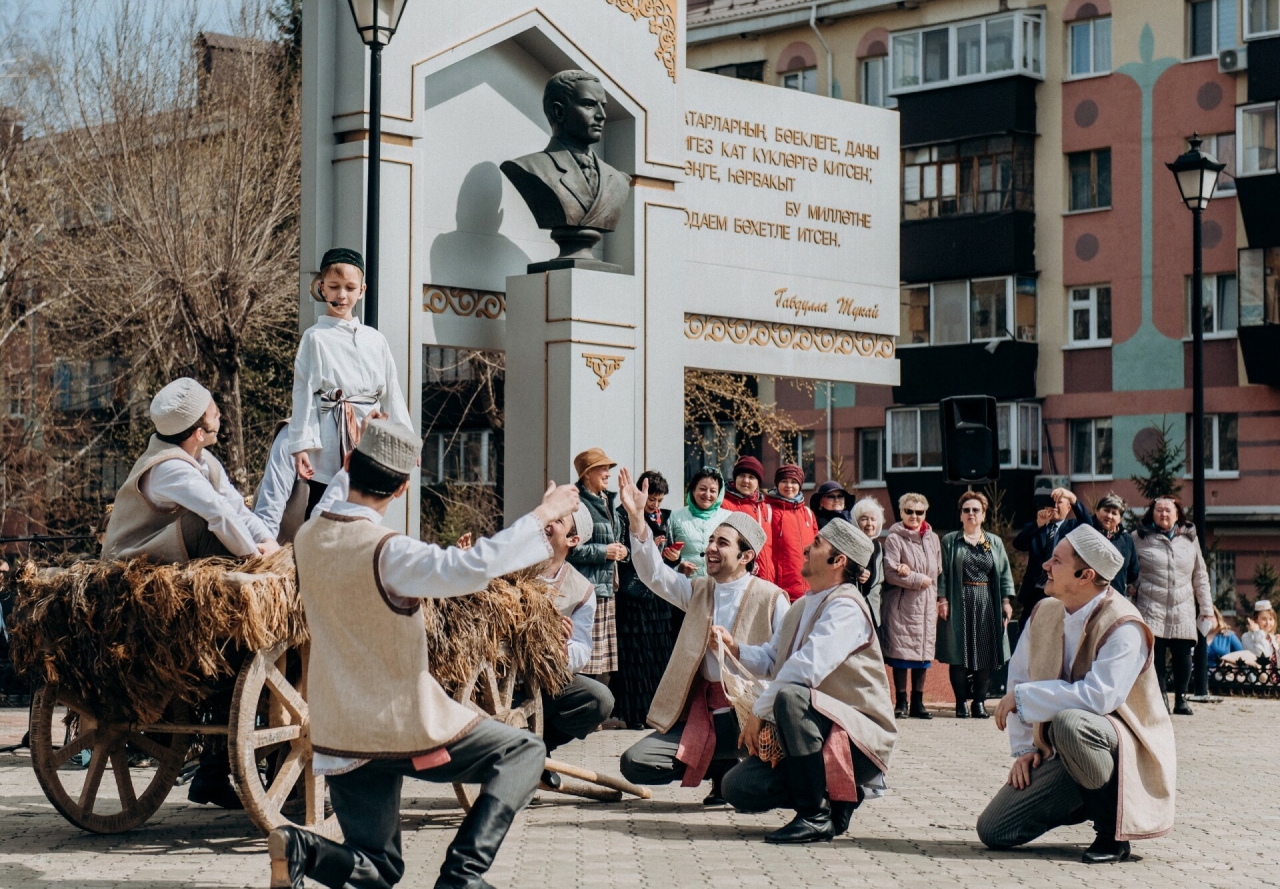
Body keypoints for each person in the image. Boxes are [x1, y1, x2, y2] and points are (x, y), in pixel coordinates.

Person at [270, 420, 580, 889]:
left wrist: (361, 442)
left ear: (349, 464)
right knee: (523, 750)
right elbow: (472, 566)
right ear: (403, 490)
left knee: (378, 869)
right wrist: (543, 514)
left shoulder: (311, 537)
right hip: (400, 725)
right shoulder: (389, 552)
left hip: (339, 732)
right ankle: (463, 873)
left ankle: (302, 847)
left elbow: (338, 495)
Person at [978, 525, 1176, 864]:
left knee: (1070, 723)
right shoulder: (1045, 610)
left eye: (1056, 560)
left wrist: (1026, 699)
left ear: (1085, 575)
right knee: (994, 830)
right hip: (1065, 748)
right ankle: (1083, 795)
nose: (1045, 566)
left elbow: (1100, 697)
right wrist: (1025, 749)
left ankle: (1112, 834)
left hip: (1120, 748)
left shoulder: (1125, 625)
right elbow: (1020, 677)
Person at [714, 519, 898, 844]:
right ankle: (839, 798)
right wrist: (735, 649)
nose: (807, 548)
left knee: (792, 696)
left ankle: (813, 815)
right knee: (738, 788)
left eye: (817, 544)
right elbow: (775, 660)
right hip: (816, 732)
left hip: (858, 740)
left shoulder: (847, 607)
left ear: (838, 560)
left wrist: (758, 712)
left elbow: (805, 669)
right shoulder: (801, 604)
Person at [616, 468, 789, 807]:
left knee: (751, 786)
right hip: (703, 712)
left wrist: (736, 649)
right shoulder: (698, 589)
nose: (710, 548)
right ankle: (720, 765)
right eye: (710, 540)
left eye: (721, 543)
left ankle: (740, 769)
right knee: (635, 763)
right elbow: (654, 575)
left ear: (746, 556)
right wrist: (638, 521)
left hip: (751, 715)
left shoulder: (772, 597)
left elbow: (781, 664)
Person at [287, 247, 414, 519]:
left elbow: (392, 392)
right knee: (324, 506)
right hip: (330, 437)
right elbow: (305, 393)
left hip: (369, 434)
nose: (341, 295)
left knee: (366, 504)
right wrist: (301, 446)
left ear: (362, 290)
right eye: (333, 287)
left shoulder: (375, 339)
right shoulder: (315, 337)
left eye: (349, 287)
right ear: (322, 288)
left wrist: (406, 441)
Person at [103, 377, 279, 564]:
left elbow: (236, 509)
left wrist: (269, 542)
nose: (220, 416)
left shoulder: (205, 461)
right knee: (203, 525)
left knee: (224, 524)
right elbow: (218, 512)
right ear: (199, 434)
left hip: (165, 552)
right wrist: (255, 559)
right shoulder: (168, 467)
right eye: (215, 415)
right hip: (129, 561)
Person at [537, 502, 616, 789]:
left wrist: (561, 649)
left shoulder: (581, 590)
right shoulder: (512, 568)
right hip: (499, 673)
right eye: (547, 516)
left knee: (599, 699)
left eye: (558, 521)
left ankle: (539, 748)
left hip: (545, 682)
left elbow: (581, 651)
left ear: (572, 540)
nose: (548, 523)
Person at [936, 492, 1016, 719]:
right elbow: (942, 574)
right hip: (959, 600)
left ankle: (979, 703)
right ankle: (961, 702)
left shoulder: (994, 542)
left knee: (985, 654)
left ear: (983, 514)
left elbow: (1003, 572)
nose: (971, 514)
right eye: (966, 510)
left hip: (987, 602)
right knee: (958, 654)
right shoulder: (950, 541)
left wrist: (1006, 601)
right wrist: (942, 600)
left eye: (976, 510)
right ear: (960, 515)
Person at [1131, 497, 1213, 715]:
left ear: (1178, 515)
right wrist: (1132, 587)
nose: (1164, 514)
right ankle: (1161, 699)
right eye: (1159, 510)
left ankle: (1182, 698)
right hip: (1150, 605)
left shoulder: (1189, 540)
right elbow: (1130, 568)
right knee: (1155, 655)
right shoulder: (1139, 537)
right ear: (1152, 513)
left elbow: (1200, 575)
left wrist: (1206, 608)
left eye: (1169, 511)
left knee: (1183, 654)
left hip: (1182, 606)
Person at [614, 470, 679, 729]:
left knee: (658, 653)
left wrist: (674, 557)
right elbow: (622, 551)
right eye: (651, 499)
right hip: (632, 595)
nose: (654, 505)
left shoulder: (667, 517)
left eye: (659, 500)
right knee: (633, 655)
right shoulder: (622, 514)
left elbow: (671, 555)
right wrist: (642, 549)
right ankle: (634, 714)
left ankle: (656, 710)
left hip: (658, 596)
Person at [565, 447, 625, 687]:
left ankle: (593, 711)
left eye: (609, 468)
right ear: (587, 474)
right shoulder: (577, 504)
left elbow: (615, 539)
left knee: (600, 660)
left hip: (606, 587)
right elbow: (570, 548)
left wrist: (622, 551)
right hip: (588, 589)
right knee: (586, 658)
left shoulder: (607, 501)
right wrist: (604, 552)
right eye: (603, 468)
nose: (608, 473)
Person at [881, 493, 941, 719]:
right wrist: (917, 579)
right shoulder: (895, 538)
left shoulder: (933, 539)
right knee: (902, 654)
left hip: (926, 606)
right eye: (909, 511)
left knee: (922, 656)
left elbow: (937, 572)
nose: (914, 516)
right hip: (902, 605)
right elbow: (890, 573)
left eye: (919, 512)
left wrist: (935, 594)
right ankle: (901, 702)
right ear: (901, 512)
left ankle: (919, 702)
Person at [1013, 487, 1091, 613]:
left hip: (1062, 592)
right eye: (1051, 502)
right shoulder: (1035, 527)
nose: (1054, 506)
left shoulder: (1074, 527)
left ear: (1069, 508)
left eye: (1059, 502)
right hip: (1035, 592)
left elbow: (1089, 526)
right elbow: (1018, 544)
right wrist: (1038, 524)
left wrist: (1073, 498)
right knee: (1028, 629)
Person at [253, 421, 311, 545]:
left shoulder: (357, 435)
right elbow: (270, 506)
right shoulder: (291, 437)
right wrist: (265, 542)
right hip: (286, 550)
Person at [720, 456, 775, 582]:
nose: (746, 480)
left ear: (758, 482)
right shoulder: (724, 505)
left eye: (751, 477)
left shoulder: (764, 507)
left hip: (766, 578)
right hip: (738, 578)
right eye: (742, 475)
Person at [667, 466, 730, 578]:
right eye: (702, 489)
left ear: (719, 494)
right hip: (685, 585)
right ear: (693, 490)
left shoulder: (728, 518)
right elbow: (663, 555)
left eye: (713, 491)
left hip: (718, 585)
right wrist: (678, 567)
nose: (707, 495)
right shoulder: (674, 517)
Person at [768, 464, 818, 602]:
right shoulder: (768, 510)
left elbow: (816, 550)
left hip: (808, 591)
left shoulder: (808, 513)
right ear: (777, 484)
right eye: (784, 481)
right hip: (780, 593)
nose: (789, 485)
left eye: (794, 482)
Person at [1092, 493, 1139, 596]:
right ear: (1097, 511)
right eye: (1106, 510)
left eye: (1114, 513)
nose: (1109, 516)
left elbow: (1133, 571)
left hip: (1115, 596)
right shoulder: (1088, 532)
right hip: (1088, 596)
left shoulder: (1126, 540)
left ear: (1120, 519)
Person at [851, 497, 886, 635]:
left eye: (873, 519)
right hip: (853, 609)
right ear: (856, 521)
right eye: (864, 519)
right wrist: (856, 571)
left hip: (874, 610)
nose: (869, 523)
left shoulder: (878, 547)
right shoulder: (849, 544)